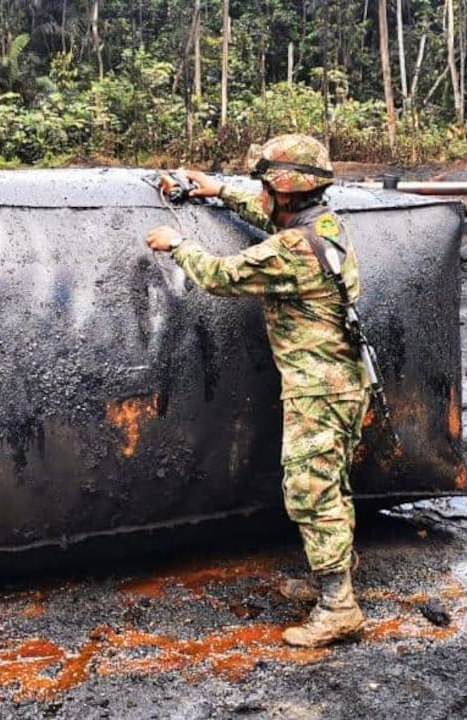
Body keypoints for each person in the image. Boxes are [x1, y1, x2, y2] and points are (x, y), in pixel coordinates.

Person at [144, 134, 369, 648]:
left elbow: (222, 276)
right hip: (343, 381)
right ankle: (329, 581)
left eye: (265, 185)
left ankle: (339, 605)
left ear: (284, 192)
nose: (261, 195)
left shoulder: (292, 250)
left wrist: (177, 244)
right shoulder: (323, 225)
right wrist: (218, 190)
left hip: (318, 387)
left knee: (310, 492)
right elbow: (269, 215)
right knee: (330, 485)